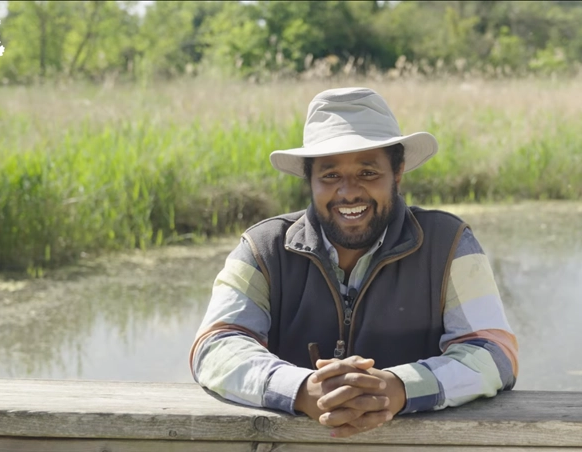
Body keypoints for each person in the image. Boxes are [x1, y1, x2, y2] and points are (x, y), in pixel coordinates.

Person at [189, 87, 518, 438]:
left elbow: (493, 353)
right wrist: (301, 389)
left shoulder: (449, 243)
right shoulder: (263, 248)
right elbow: (215, 346)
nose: (348, 192)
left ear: (397, 172)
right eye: (330, 176)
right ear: (309, 180)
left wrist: (398, 388)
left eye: (368, 173)